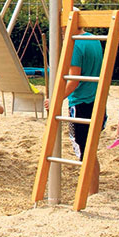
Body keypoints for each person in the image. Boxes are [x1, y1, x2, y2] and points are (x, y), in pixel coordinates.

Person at [45, 19, 104, 195]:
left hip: (80, 102)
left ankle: (89, 192)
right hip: (96, 100)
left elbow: (74, 81)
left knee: (84, 151)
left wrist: (57, 99)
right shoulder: (93, 40)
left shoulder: (76, 45)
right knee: (90, 149)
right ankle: (94, 191)